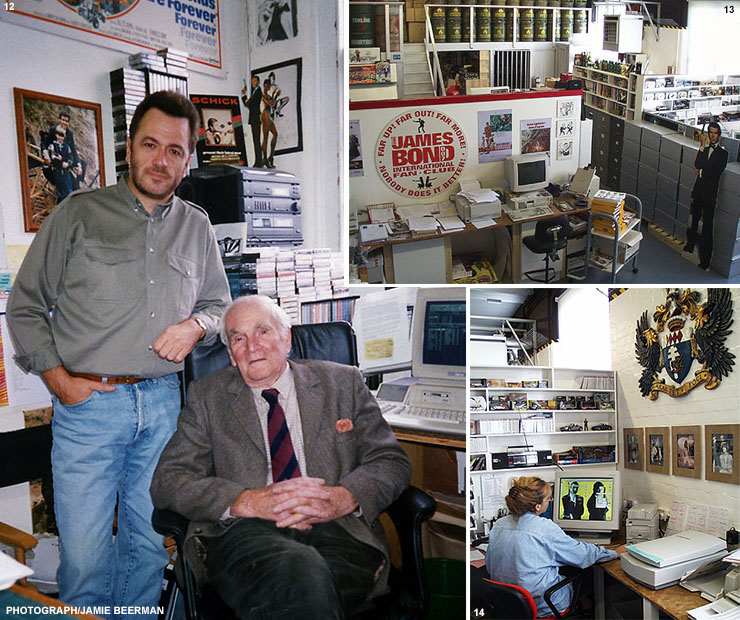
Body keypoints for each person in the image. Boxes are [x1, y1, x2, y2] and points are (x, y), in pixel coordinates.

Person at [7, 90, 231, 620]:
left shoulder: (196, 225)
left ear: (188, 156)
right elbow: (25, 307)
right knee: (84, 561)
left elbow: (220, 305)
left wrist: (196, 325)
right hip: (88, 409)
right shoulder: (78, 214)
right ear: (128, 146)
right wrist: (58, 380)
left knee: (148, 550)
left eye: (174, 150)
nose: (161, 160)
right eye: (150, 144)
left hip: (161, 410)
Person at [151, 295, 412, 619]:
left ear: (286, 339)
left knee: (304, 588)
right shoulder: (208, 397)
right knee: (302, 575)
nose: (251, 346)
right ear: (231, 355)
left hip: (339, 530)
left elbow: (392, 460)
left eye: (263, 332)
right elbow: (169, 479)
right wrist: (246, 501)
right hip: (244, 535)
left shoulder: (342, 382)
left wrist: (345, 497)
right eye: (238, 339)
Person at [486, 477, 619, 617]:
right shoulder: (545, 528)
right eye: (549, 499)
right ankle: (586, 606)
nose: (550, 501)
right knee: (586, 576)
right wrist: (614, 553)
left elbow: (489, 566)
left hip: (509, 605)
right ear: (537, 506)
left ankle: (583, 602)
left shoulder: (498, 525)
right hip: (542, 607)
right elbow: (583, 555)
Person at [684, 122, 729, 270]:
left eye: (715, 133)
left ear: (719, 135)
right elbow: (698, 163)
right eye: (711, 133)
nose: (713, 135)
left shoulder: (723, 154)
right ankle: (690, 246)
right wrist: (702, 147)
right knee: (694, 220)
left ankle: (705, 260)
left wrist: (701, 172)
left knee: (707, 227)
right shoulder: (705, 149)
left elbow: (715, 172)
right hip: (699, 191)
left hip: (709, 194)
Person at [47, 126, 75, 202]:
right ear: (56, 135)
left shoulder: (67, 146)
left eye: (62, 136)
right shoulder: (53, 146)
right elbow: (53, 158)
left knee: (69, 191)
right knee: (59, 193)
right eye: (59, 135)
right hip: (57, 172)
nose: (60, 138)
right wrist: (60, 160)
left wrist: (67, 163)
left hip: (66, 173)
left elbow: (71, 158)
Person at [241, 75, 263, 167]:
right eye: (252, 81)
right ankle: (258, 161)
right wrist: (245, 97)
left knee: (256, 141)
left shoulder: (258, 92)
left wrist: (245, 96)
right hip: (254, 119)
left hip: (255, 119)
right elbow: (248, 104)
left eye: (255, 81)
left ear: (258, 82)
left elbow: (249, 104)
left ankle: (259, 162)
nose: (253, 83)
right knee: (255, 140)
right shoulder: (255, 92)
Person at [261, 78, 278, 168]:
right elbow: (270, 103)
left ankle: (270, 157)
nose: (269, 87)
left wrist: (275, 95)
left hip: (269, 116)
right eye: (267, 85)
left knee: (275, 134)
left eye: (269, 85)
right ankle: (265, 159)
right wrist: (275, 96)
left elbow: (273, 103)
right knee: (266, 137)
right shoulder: (263, 94)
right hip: (265, 115)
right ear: (265, 85)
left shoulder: (267, 94)